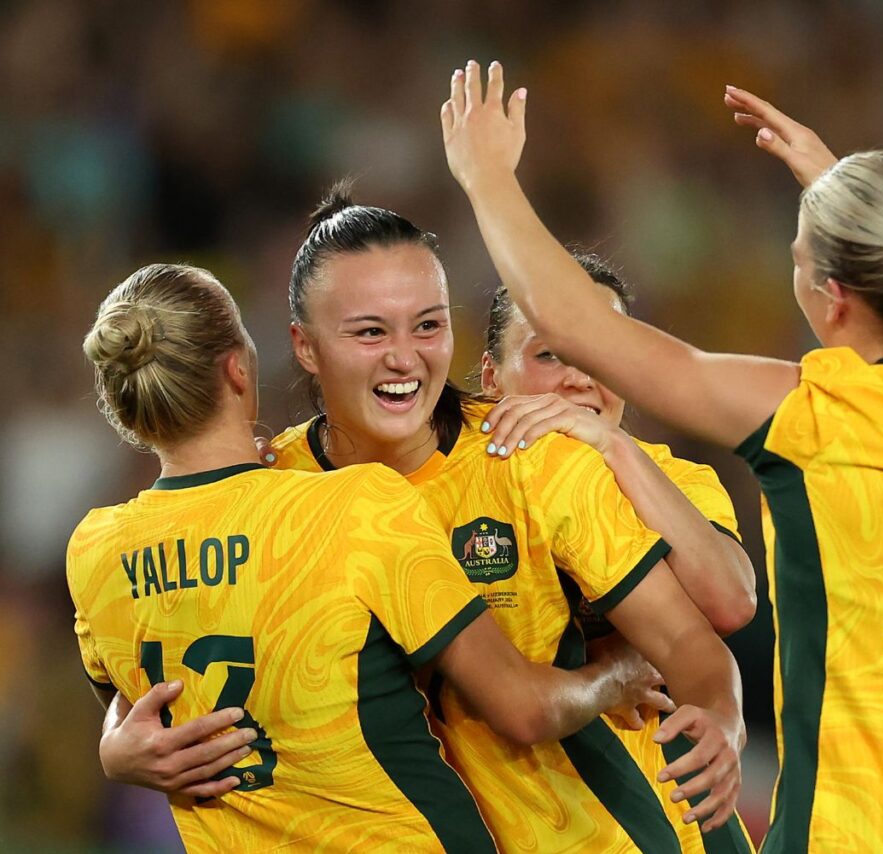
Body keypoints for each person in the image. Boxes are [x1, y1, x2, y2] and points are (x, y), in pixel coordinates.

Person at [441, 60, 883, 852]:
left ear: (834, 296)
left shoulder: (813, 415)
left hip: (857, 831)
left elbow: (576, 327)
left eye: (796, 258)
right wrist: (839, 190)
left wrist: (488, 180)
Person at [100, 186, 747, 851]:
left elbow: (690, 647)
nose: (404, 357)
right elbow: (183, 647)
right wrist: (118, 744)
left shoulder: (531, 462)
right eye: (370, 331)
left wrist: (721, 720)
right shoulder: (274, 489)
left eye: (428, 324)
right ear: (305, 345)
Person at [478, 255, 757, 852]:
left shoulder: (679, 479)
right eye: (549, 354)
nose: (579, 377)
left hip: (667, 809)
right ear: (490, 377)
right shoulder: (443, 486)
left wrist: (612, 445)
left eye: (600, 353)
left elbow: (731, 601)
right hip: (521, 814)